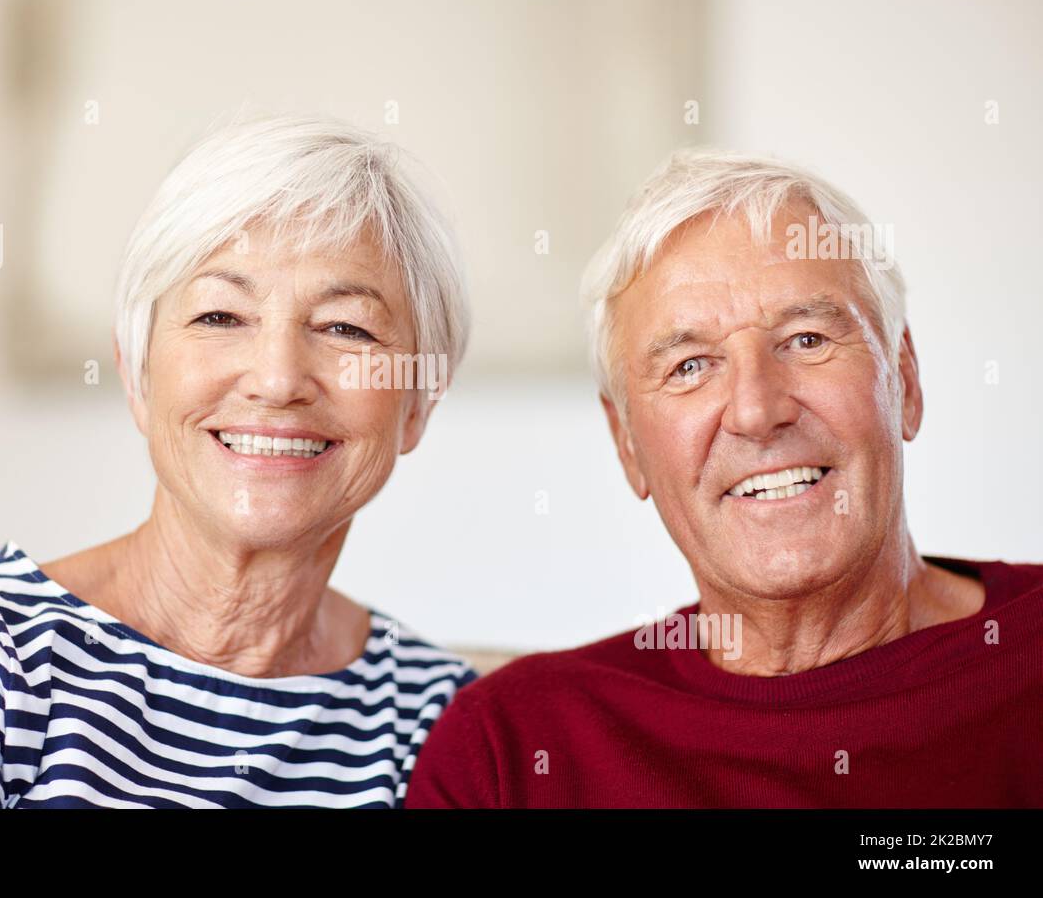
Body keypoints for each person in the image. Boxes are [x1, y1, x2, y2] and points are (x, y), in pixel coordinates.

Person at [0, 112, 475, 808]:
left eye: (345, 327)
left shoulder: (449, 719)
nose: (277, 378)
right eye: (220, 316)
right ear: (137, 374)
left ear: (417, 404)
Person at [406, 149, 1043, 807]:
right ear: (626, 442)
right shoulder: (511, 749)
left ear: (904, 379)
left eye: (806, 340)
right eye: (689, 366)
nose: (756, 411)